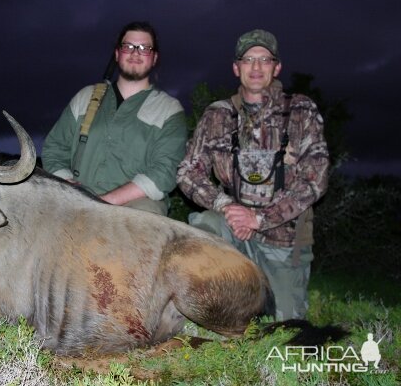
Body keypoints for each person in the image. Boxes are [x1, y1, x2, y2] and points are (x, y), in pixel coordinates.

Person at [176, 29, 330, 320]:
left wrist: (259, 219)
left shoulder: (302, 111)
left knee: (286, 324)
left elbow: (316, 179)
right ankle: (210, 302)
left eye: (264, 59)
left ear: (277, 66)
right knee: (205, 226)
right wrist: (226, 206)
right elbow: (187, 172)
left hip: (282, 240)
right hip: (231, 229)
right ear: (236, 68)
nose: (256, 67)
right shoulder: (216, 115)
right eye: (248, 60)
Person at [42, 21, 187, 216]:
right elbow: (54, 148)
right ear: (117, 54)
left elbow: (164, 172)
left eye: (144, 48)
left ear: (154, 58)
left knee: (146, 215)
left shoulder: (169, 110)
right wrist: (68, 186)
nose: (135, 53)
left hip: (133, 208)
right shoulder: (86, 96)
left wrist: (103, 202)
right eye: (128, 47)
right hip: (77, 200)